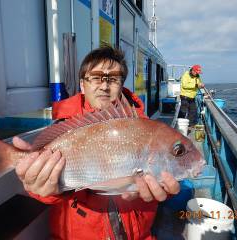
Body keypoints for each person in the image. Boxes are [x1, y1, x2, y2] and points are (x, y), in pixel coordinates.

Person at [13, 46, 180, 240]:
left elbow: (160, 179)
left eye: (113, 78)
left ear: (121, 84)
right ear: (82, 85)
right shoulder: (65, 127)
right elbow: (47, 193)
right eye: (95, 77)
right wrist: (43, 188)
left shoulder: (145, 128)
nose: (104, 86)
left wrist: (165, 189)